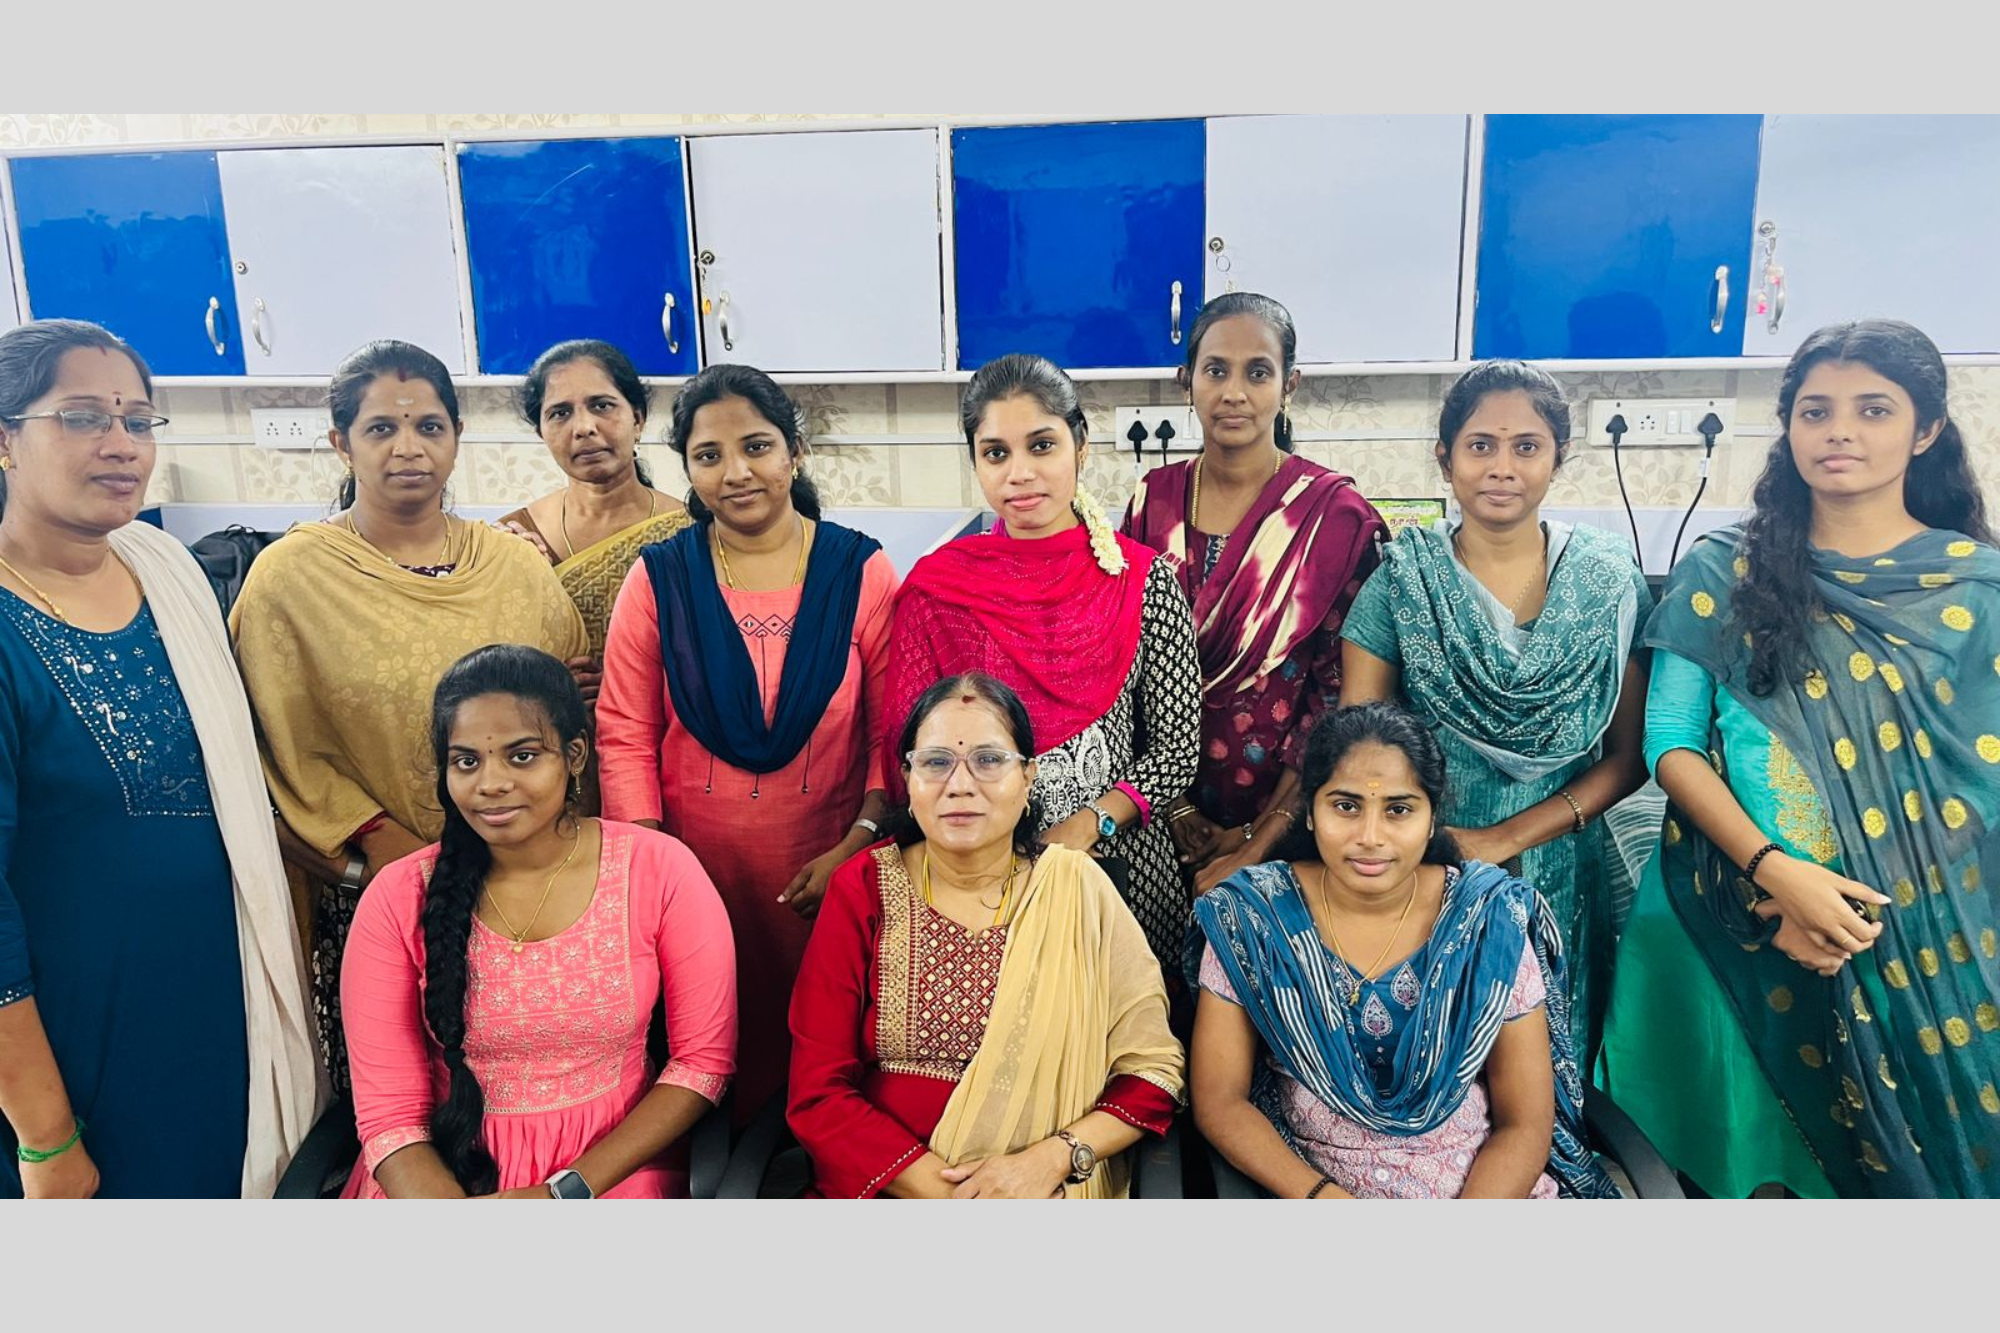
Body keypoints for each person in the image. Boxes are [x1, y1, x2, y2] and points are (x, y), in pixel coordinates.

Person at [1599, 319, 2000, 1198]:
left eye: (1873, 409)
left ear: (1926, 429)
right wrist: (1776, 881)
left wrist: (1855, 908)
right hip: (1736, 913)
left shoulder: (1978, 588)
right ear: (1789, 427)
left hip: (1921, 932)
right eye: (1816, 411)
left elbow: (1985, 785)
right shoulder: (1723, 569)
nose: (1839, 431)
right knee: (1757, 1181)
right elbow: (1670, 744)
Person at [0, 320, 320, 1198]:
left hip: (217, 1012)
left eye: (138, 421)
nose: (121, 444)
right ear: (5, 439)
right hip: (67, 1052)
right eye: (81, 417)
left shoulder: (168, 574)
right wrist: (44, 1137)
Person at [231, 340, 587, 1093]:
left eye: (429, 426)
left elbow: (570, 710)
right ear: (342, 443)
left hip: (524, 890)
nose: (408, 448)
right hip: (377, 891)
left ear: (457, 436)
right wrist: (387, 856)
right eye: (381, 429)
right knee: (403, 1100)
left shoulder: (515, 565)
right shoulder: (291, 580)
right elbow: (272, 745)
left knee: (536, 1091)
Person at [597, 364, 896, 1120]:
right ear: (688, 469)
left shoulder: (859, 571)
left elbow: (892, 729)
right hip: (694, 875)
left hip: (831, 871)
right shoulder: (659, 579)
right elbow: (624, 731)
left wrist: (855, 848)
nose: (735, 473)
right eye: (709, 455)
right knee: (707, 1050)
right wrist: (655, 869)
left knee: (828, 1051)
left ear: (794, 451)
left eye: (756, 446)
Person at [340, 645, 735, 1198]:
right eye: (466, 762)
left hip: (612, 1173)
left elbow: (701, 1066)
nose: (490, 783)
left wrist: (561, 1194)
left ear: (574, 755)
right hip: (439, 1182)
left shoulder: (657, 869)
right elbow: (391, 1117)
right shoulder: (398, 897)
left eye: (522, 756)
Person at [1340, 361, 1650, 1059]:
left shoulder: (1608, 582)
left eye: (1526, 446)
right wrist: (1431, 845)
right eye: (1480, 445)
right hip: (1430, 866)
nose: (1502, 467)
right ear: (1445, 458)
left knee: (1554, 1061)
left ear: (1557, 458)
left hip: (1564, 865)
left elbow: (1629, 757)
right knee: (1442, 1061)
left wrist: (1507, 838)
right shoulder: (1403, 582)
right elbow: (1355, 755)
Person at [1191, 701, 1616, 1199]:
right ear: (1309, 812)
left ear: (1432, 818)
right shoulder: (1252, 918)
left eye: (1398, 809)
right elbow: (1221, 1102)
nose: (1370, 837)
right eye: (1345, 806)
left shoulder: (1486, 920)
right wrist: (1323, 1199)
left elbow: (1524, 1123)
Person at [787, 673, 1184, 1197]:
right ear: (908, 779)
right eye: (936, 762)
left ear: (1028, 777)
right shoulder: (862, 887)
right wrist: (958, 1199)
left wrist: (1053, 1159)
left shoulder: (1077, 890)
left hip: (1046, 1194)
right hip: (886, 1189)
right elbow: (818, 1092)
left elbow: (1152, 1072)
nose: (960, 784)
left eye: (989, 760)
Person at [887, 353, 1202, 971]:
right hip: (983, 875)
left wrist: (1091, 824)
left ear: (1080, 447)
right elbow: (913, 747)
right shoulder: (940, 590)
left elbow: (1177, 749)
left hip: (1121, 869)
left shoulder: (1142, 581)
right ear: (975, 462)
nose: (1020, 473)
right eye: (996, 453)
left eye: (1041, 445)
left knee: (1126, 1024)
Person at [1124, 292, 1385, 895]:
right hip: (1154, 814)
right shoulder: (1151, 503)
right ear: (1187, 381)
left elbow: (1339, 696)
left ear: (1289, 384)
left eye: (1258, 372)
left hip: (1294, 821)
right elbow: (1124, 670)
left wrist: (1259, 838)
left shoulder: (1335, 518)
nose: (1234, 392)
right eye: (1215, 370)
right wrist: (1172, 806)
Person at [496, 338, 692, 662]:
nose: (584, 428)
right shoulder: (514, 537)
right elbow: (496, 663)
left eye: (601, 406)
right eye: (560, 413)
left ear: (638, 420)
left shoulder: (691, 532)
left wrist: (629, 679)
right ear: (541, 433)